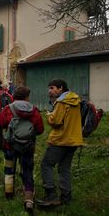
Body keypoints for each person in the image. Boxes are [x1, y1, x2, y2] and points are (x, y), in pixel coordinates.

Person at [36, 79, 83, 207]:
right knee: (64, 168)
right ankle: (66, 197)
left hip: (61, 139)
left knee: (46, 164)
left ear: (60, 88)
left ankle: (51, 196)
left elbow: (55, 121)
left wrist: (48, 115)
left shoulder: (62, 102)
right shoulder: (75, 100)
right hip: (74, 139)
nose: (49, 91)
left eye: (52, 88)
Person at [0, 86, 44, 212]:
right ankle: (29, 200)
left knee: (9, 169)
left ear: (14, 96)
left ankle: (8, 194)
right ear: (27, 97)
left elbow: (1, 123)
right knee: (27, 170)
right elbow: (40, 129)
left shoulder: (8, 109)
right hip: (28, 147)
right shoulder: (34, 110)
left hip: (10, 145)